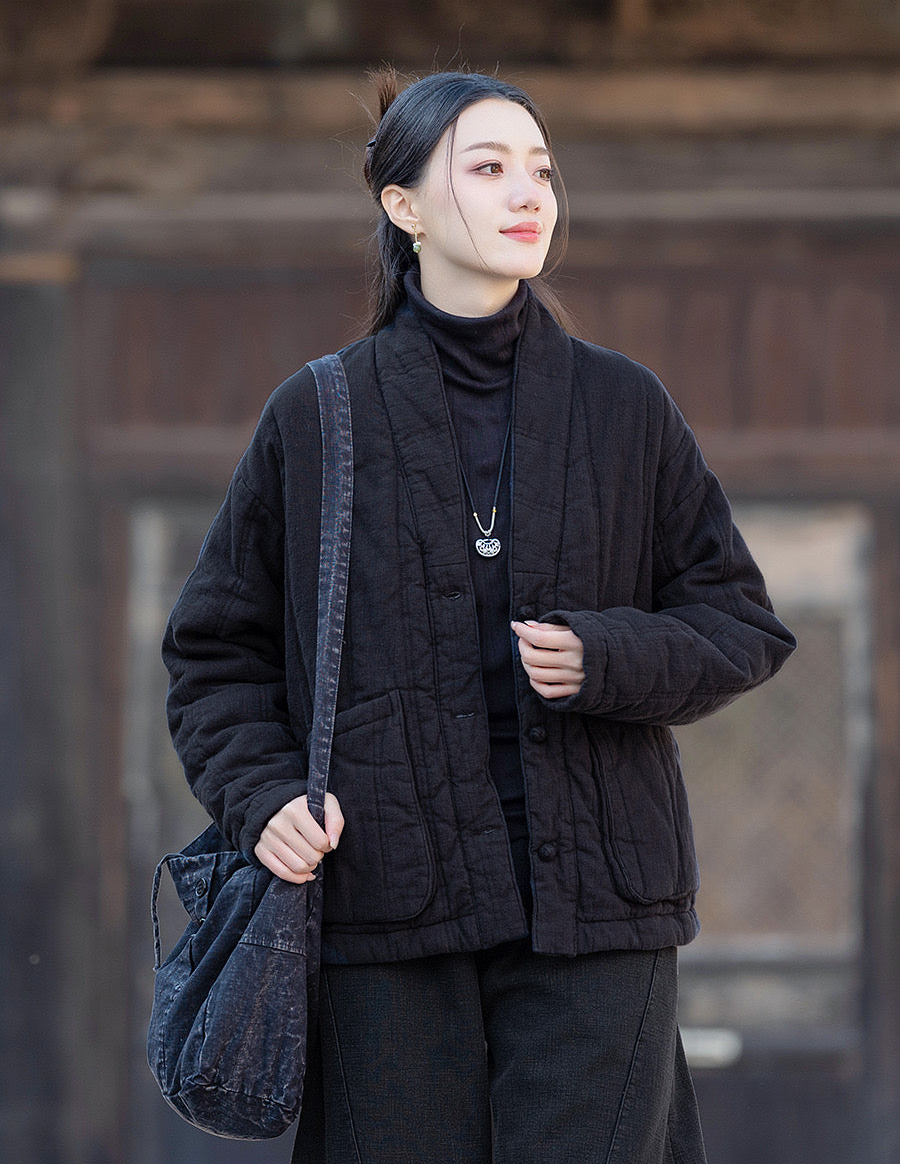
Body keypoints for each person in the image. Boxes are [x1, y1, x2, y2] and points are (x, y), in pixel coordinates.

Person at [162, 69, 795, 1164]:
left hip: (600, 908)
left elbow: (742, 621)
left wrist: (607, 657)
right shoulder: (319, 415)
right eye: (490, 167)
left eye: (541, 169)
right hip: (384, 908)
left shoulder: (623, 405)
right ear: (402, 205)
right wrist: (263, 798)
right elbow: (215, 653)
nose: (529, 193)